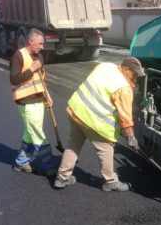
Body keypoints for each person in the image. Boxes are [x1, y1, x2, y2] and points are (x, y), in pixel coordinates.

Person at [54, 57, 144, 192]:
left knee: (73, 144)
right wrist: (131, 138)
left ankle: (62, 177)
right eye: (135, 73)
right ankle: (111, 181)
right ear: (126, 69)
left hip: (76, 109)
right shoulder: (124, 88)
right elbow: (126, 118)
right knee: (106, 149)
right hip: (92, 120)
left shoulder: (106, 65)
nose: (136, 77)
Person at [10, 29, 56, 176]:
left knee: (29, 134)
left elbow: (41, 79)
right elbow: (14, 79)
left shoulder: (39, 57)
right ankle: (50, 167)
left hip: (39, 100)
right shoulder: (19, 55)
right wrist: (31, 69)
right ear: (31, 41)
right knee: (37, 133)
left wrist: (47, 96)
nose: (42, 47)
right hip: (26, 102)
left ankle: (20, 163)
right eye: (40, 43)